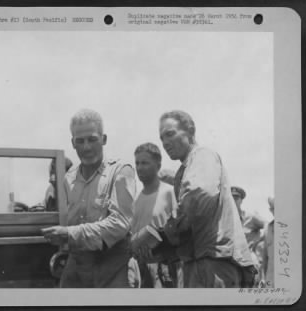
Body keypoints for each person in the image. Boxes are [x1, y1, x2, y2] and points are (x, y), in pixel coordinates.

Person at [159, 110, 255, 288]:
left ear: (190, 130)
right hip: (202, 260)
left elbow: (200, 195)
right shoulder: (189, 165)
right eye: (162, 138)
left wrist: (170, 228)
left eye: (170, 134)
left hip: (212, 263)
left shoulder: (202, 155)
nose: (165, 143)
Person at [42, 109, 136, 288]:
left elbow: (120, 223)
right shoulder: (68, 178)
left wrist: (70, 234)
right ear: (73, 143)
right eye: (80, 141)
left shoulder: (121, 172)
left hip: (112, 268)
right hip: (77, 266)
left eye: (92, 139)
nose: (86, 147)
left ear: (104, 139)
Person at [130, 143, 179, 288]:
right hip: (141, 269)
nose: (139, 167)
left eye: (145, 163)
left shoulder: (170, 193)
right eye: (137, 163)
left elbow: (180, 233)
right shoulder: (136, 200)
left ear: (158, 165)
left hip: (166, 270)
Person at [231, 186, 265, 286]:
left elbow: (268, 226)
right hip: (230, 253)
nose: (233, 201)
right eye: (231, 198)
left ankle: (256, 288)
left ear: (241, 200)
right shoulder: (225, 219)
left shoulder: (250, 217)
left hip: (248, 253)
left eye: (236, 198)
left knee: (253, 266)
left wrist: (259, 241)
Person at [262, 197, 274, 287]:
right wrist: (263, 278)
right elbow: (265, 257)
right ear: (271, 210)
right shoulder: (268, 229)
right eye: (274, 208)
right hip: (271, 278)